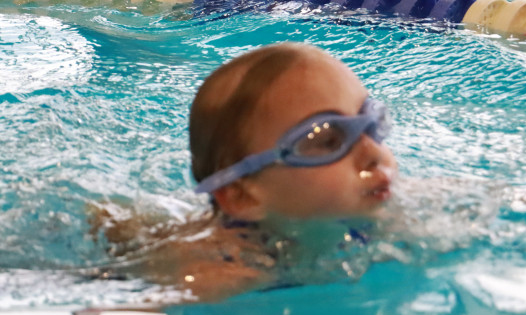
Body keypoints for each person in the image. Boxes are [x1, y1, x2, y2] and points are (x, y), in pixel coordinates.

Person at [87, 42, 399, 301]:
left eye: (372, 122)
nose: (374, 154)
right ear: (243, 195)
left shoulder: (394, 211)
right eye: (327, 140)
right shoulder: (217, 275)